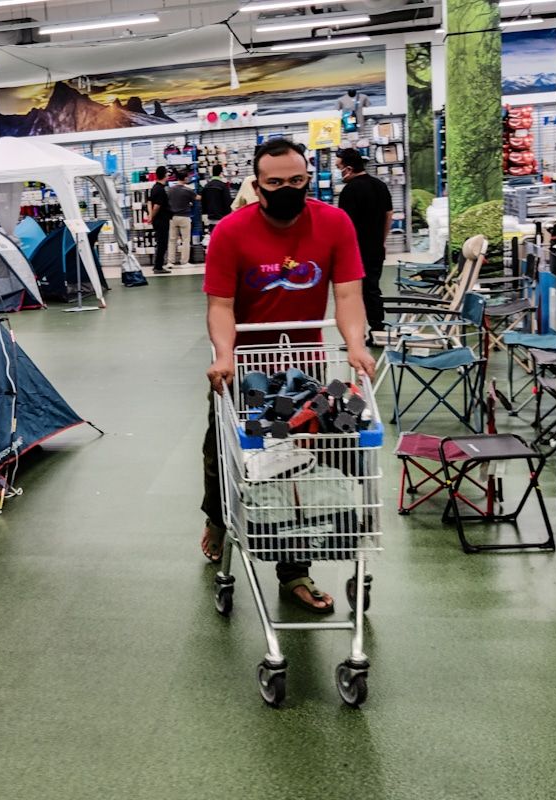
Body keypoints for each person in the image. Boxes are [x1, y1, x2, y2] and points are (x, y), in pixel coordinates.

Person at [200, 139, 376, 614]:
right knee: (224, 454)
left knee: (298, 462)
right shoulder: (231, 232)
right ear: (257, 186)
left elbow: (348, 295)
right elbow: (220, 305)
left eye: (296, 181)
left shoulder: (334, 223)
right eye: (275, 182)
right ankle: (217, 518)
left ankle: (295, 570)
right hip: (244, 366)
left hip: (305, 366)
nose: (287, 189)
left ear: (308, 179)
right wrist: (225, 355)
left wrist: (356, 345)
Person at [335, 148, 394, 342]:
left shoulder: (349, 191)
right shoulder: (380, 185)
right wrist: (381, 240)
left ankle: (355, 337)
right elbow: (389, 214)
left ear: (349, 168)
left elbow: (345, 225)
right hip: (375, 248)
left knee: (353, 295)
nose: (338, 171)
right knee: (373, 289)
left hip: (355, 251)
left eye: (339, 167)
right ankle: (378, 330)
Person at [166, 171, 198, 267]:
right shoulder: (188, 190)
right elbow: (197, 198)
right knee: (185, 240)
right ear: (185, 178)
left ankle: (170, 261)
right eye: (187, 177)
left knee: (172, 240)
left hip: (172, 217)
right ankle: (184, 262)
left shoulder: (170, 190)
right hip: (184, 217)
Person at [147, 166, 172, 274]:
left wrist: (150, 216)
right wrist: (152, 216)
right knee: (162, 243)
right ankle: (158, 267)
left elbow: (149, 202)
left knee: (160, 242)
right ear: (165, 175)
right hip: (162, 220)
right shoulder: (161, 190)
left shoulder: (154, 187)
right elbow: (157, 206)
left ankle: (157, 265)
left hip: (158, 220)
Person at [201, 164, 232, 233]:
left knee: (213, 236)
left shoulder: (206, 186)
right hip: (221, 218)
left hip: (210, 218)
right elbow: (227, 202)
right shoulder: (223, 186)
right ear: (221, 173)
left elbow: (203, 203)